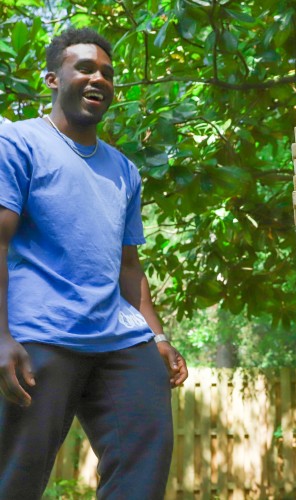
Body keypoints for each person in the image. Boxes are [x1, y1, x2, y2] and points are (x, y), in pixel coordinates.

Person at [0, 27, 188, 499]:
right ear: (52, 78)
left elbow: (128, 265)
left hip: (120, 337)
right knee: (15, 475)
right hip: (40, 334)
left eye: (106, 72)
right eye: (84, 67)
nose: (98, 78)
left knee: (145, 457)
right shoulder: (17, 143)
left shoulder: (123, 169)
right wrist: (0, 336)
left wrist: (158, 336)